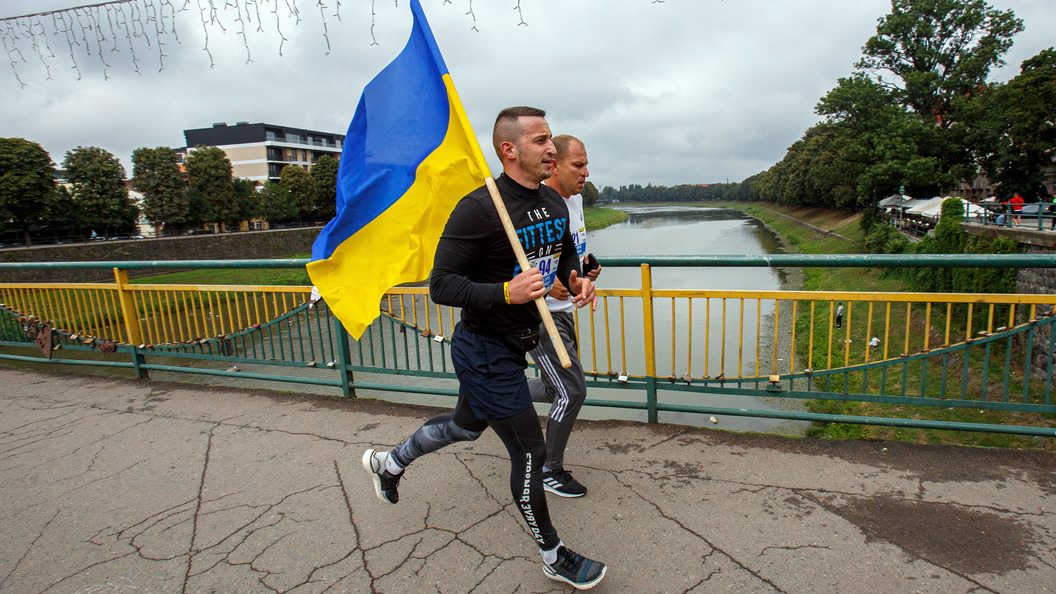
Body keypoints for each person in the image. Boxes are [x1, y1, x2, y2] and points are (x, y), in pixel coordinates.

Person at [362, 106, 607, 590]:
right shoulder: (480, 207)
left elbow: (564, 261)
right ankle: (554, 555)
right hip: (483, 349)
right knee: (531, 453)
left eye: (550, 138)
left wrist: (577, 280)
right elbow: (441, 285)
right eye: (539, 140)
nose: (551, 148)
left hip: (519, 343)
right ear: (508, 150)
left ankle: (388, 463)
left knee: (463, 428)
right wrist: (504, 292)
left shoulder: (555, 205)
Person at [527, 134, 599, 499]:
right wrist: (544, 282)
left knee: (558, 387)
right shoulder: (537, 205)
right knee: (572, 390)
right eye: (578, 165)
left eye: (586, 165)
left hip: (565, 310)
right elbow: (511, 262)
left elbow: (574, 252)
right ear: (554, 165)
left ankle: (490, 394)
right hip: (540, 316)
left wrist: (585, 274)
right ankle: (547, 470)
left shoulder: (576, 200)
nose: (586, 172)